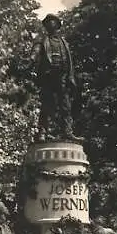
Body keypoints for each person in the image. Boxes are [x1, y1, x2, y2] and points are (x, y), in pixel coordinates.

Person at [30, 13, 83, 143]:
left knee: (66, 105)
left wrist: (71, 77)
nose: (50, 23)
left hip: (62, 76)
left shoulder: (64, 42)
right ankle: (43, 132)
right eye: (47, 22)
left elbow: (69, 61)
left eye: (52, 21)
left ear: (57, 25)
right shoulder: (42, 39)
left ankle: (67, 132)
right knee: (47, 104)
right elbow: (36, 51)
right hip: (48, 76)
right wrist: (32, 58)